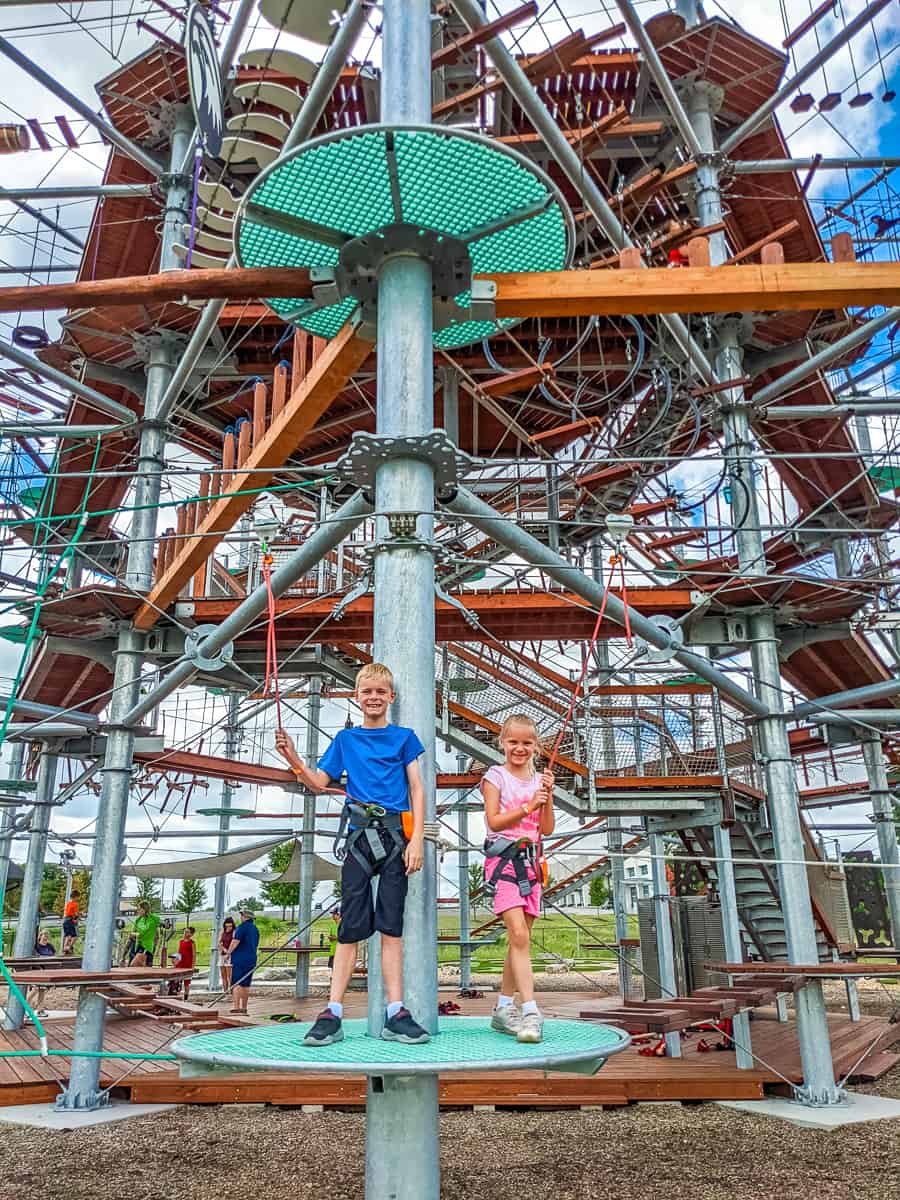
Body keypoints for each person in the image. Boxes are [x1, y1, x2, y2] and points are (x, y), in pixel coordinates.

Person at [275, 661, 428, 1047]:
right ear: (357, 698)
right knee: (350, 928)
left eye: (381, 692)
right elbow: (318, 784)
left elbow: (417, 789)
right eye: (367, 692)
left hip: (395, 836)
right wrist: (294, 759)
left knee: (391, 927)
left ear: (390, 697)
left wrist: (418, 839)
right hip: (360, 837)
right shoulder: (346, 741)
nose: (374, 698)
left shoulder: (404, 738)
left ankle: (396, 1011)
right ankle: (333, 1011)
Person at [481, 713, 555, 1044]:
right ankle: (530, 1011)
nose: (519, 748)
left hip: (532, 865)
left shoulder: (539, 781)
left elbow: (547, 829)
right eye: (513, 741)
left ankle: (502, 1007)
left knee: (519, 940)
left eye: (526, 743)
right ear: (502, 742)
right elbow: (494, 821)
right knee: (518, 934)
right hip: (504, 862)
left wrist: (547, 796)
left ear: (536, 746)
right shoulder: (495, 777)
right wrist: (527, 807)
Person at [229, 908, 260, 1014]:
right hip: (251, 958)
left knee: (236, 983)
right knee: (246, 984)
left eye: (242, 915)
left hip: (240, 958)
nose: (240, 917)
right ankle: (244, 1008)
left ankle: (236, 1007)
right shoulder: (255, 929)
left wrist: (228, 953)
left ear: (246, 917)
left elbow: (235, 942)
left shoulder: (241, 927)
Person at [29, 930, 55, 1017]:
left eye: (47, 936)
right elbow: (35, 957)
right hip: (37, 970)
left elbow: (53, 956)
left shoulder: (50, 946)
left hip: (46, 970)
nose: (45, 937)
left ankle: (40, 1010)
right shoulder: (37, 946)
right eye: (44, 935)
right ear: (40, 936)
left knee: (42, 990)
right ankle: (25, 1006)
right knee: (35, 988)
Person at [130, 901, 160, 966]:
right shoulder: (138, 920)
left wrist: (155, 947)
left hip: (147, 947)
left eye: (139, 909)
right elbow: (132, 933)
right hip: (138, 946)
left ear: (144, 909)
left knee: (134, 965)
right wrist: (135, 934)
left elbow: (162, 924)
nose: (137, 911)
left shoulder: (153, 919)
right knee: (138, 968)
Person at [173, 926, 196, 1000]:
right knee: (176, 980)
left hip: (187, 964)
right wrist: (175, 962)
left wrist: (193, 966)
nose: (185, 933)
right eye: (185, 932)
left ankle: (186, 998)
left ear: (191, 934)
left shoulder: (192, 943)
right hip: (180, 964)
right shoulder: (181, 942)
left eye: (187, 932)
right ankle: (176, 995)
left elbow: (194, 955)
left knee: (187, 983)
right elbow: (179, 953)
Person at [217, 916, 236, 995]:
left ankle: (231, 993)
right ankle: (224, 993)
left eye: (230, 926)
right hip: (223, 954)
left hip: (230, 955)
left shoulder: (234, 932)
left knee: (229, 976)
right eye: (227, 926)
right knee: (223, 975)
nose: (228, 928)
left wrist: (228, 953)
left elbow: (234, 943)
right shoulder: (222, 932)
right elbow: (219, 943)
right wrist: (224, 950)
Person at [62, 890, 79, 955]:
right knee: (75, 936)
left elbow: (68, 912)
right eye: (77, 897)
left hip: (65, 920)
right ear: (75, 897)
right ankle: (69, 947)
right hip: (70, 920)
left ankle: (64, 947)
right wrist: (77, 918)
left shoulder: (68, 903)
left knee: (67, 936)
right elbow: (75, 914)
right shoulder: (75, 904)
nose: (78, 899)